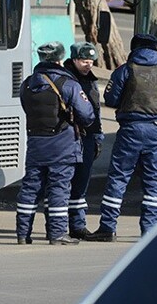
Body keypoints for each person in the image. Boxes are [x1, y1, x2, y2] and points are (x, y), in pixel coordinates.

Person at [86, 34, 157, 241]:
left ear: (135, 47)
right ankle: (149, 230)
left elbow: (111, 99)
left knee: (119, 178)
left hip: (130, 130)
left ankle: (108, 228)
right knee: (154, 181)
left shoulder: (125, 69)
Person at [15, 41, 94, 246]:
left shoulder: (27, 84)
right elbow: (87, 115)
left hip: (35, 143)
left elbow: (26, 107)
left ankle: (23, 234)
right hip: (62, 146)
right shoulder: (68, 84)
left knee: (30, 188)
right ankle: (57, 234)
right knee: (59, 188)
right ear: (60, 59)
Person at [63, 42, 105, 240]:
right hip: (70, 137)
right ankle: (60, 225)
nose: (88, 65)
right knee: (64, 183)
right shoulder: (66, 80)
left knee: (81, 183)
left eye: (91, 61)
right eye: (84, 61)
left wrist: (98, 136)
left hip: (88, 138)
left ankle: (78, 225)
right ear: (73, 60)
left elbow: (96, 111)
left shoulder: (91, 80)